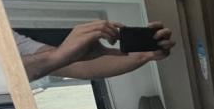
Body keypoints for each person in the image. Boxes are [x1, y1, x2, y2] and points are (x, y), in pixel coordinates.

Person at [17, 20, 175, 81]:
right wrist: (59, 56)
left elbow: (78, 67)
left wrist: (145, 55)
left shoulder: (10, 37)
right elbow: (54, 60)